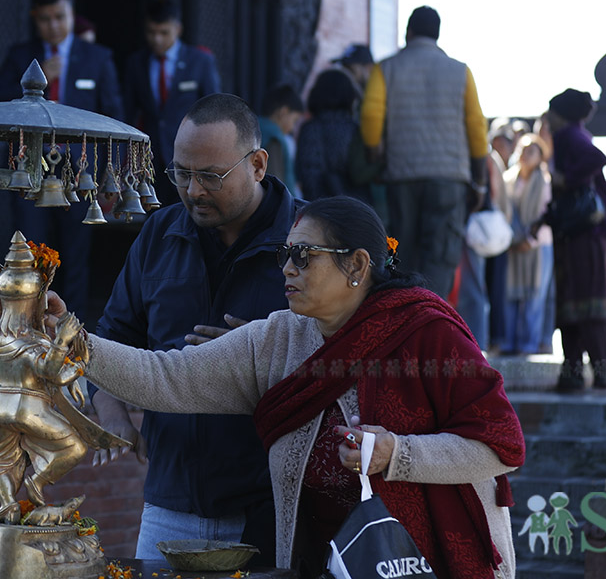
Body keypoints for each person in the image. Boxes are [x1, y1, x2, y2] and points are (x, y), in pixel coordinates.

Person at [68, 196, 525, 578]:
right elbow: (165, 378)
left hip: (429, 560)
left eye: (304, 256)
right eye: (283, 255)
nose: (287, 268)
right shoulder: (278, 337)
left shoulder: (428, 332)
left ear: (357, 265)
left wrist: (397, 454)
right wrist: (71, 339)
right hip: (319, 564)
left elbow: (500, 445)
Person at [87, 93, 299, 564]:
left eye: (211, 176)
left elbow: (346, 362)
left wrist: (255, 357)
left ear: (258, 165)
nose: (194, 190)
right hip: (169, 501)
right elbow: (112, 335)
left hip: (271, 507)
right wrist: (110, 409)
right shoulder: (159, 234)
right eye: (181, 173)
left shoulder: (306, 241)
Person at [0, 0, 124, 315]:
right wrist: (37, 78)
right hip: (30, 166)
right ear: (36, 19)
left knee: (75, 251)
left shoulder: (97, 57)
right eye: (46, 19)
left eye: (60, 17)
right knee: (27, 246)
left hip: (79, 170)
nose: (54, 25)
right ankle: (27, 323)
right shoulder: (21, 55)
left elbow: (112, 116)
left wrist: (113, 174)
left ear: (70, 14)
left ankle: (68, 327)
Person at [359, 6, 490, 298]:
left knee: (402, 251)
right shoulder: (460, 71)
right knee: (440, 256)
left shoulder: (386, 68)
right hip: (449, 178)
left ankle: (404, 316)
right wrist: (479, 180)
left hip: (401, 175)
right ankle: (433, 317)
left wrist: (374, 152)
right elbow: (477, 129)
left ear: (409, 32)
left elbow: (370, 116)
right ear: (438, 35)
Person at [536, 89, 606, 392]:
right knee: (574, 306)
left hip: (588, 238)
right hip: (578, 236)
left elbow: (597, 158)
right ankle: (575, 373)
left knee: (587, 305)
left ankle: (599, 372)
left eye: (550, 112)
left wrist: (565, 179)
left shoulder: (570, 136)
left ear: (560, 115)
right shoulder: (570, 136)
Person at [121, 0, 222, 205]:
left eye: (164, 33)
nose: (157, 39)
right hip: (149, 160)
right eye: (151, 32)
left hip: (190, 159)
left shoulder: (200, 62)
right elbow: (127, 113)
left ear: (178, 29)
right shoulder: (136, 63)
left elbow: (213, 110)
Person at [503, 134, 553, 354]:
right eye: (523, 150)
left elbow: (546, 213)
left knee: (535, 296)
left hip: (539, 245)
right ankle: (510, 342)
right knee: (512, 294)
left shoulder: (544, 182)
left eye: (531, 151)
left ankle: (529, 344)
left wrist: (530, 240)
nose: (525, 155)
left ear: (540, 157)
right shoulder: (510, 180)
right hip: (514, 244)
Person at [295, 69, 373, 203]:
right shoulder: (354, 128)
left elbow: (307, 173)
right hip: (355, 205)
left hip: (318, 206)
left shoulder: (309, 128)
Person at [258, 84, 305, 193]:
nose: (293, 128)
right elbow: (276, 183)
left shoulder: (254, 128)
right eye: (294, 120)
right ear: (283, 112)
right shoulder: (274, 138)